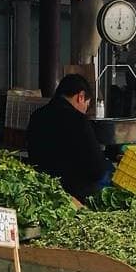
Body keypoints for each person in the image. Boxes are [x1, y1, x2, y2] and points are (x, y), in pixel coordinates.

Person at [27, 74, 110, 202]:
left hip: (42, 193)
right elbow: (97, 169)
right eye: (86, 106)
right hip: (76, 198)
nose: (85, 111)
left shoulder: (36, 116)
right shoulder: (78, 121)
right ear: (80, 97)